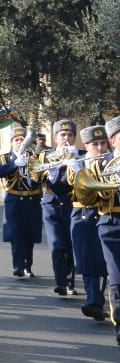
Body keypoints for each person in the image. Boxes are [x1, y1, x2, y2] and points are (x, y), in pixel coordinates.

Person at [68, 125, 110, 324]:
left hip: (104, 214)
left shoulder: (112, 162)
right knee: (85, 258)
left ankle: (97, 302)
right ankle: (93, 300)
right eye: (95, 144)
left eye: (103, 143)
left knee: (102, 260)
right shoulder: (76, 162)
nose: (100, 148)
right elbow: (60, 187)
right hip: (82, 215)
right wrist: (74, 171)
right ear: (85, 145)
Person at [0, 126, 43, 278]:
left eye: (22, 140)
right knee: (16, 235)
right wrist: (14, 164)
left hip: (32, 199)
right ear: (11, 142)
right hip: (14, 201)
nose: (20, 143)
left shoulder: (34, 157)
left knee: (30, 234)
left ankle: (28, 265)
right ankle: (18, 266)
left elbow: (39, 178)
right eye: (17, 140)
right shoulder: (5, 158)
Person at [38, 120, 81, 296]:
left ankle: (70, 282)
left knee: (71, 244)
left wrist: (75, 163)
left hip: (73, 203)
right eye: (62, 135)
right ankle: (61, 282)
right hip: (51, 204)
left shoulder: (82, 154)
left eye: (70, 135)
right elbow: (34, 179)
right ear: (55, 138)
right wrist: (52, 169)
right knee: (57, 245)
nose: (66, 138)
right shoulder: (45, 156)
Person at [98, 116, 120, 346]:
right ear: (113, 141)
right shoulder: (100, 164)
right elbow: (88, 195)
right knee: (117, 279)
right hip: (113, 224)